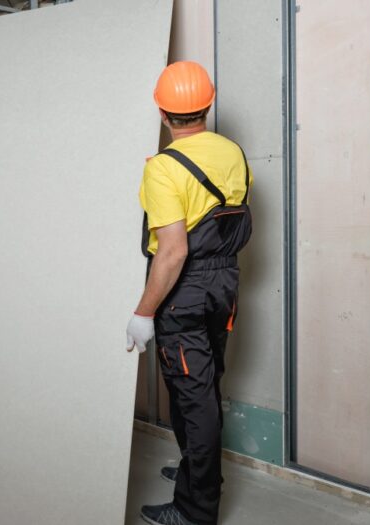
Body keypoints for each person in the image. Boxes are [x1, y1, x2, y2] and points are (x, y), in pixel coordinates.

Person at [125, 61, 253, 525]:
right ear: (208, 104)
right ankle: (196, 473)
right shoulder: (233, 151)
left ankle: (196, 511)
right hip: (225, 285)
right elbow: (222, 204)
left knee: (192, 400)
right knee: (201, 389)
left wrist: (143, 312)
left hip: (185, 290)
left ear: (163, 112)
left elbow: (173, 252)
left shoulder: (163, 169)